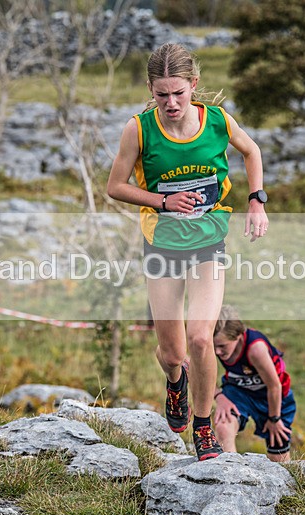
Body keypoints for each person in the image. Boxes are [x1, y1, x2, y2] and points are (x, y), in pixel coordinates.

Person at [106, 43, 268, 461]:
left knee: (200, 338)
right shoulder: (138, 129)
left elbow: (251, 151)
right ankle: (175, 383)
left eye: (179, 92)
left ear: (193, 85)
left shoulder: (216, 120)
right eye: (162, 94)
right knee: (174, 353)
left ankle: (203, 427)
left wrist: (256, 200)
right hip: (162, 246)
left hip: (209, 244)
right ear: (150, 89)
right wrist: (163, 202)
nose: (171, 102)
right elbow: (115, 187)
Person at [211, 305, 295, 462]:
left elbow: (274, 386)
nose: (217, 352)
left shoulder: (255, 349)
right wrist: (219, 396)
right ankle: (229, 475)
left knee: (279, 454)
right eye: (213, 345)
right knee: (223, 426)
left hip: (271, 397)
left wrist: (275, 419)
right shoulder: (209, 344)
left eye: (222, 346)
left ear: (238, 336)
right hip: (239, 391)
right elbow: (193, 369)